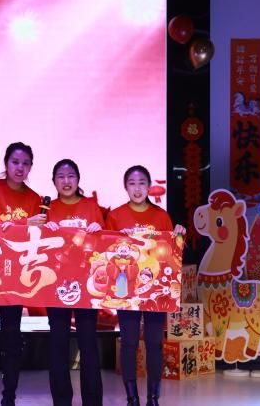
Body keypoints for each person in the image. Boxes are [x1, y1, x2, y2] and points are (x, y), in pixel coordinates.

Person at [106, 165, 185, 406]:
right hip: (126, 288)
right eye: (132, 183)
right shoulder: (115, 216)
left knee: (154, 343)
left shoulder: (161, 216)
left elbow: (170, 252)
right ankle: (132, 398)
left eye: (142, 183)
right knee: (129, 343)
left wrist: (179, 236)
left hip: (155, 289)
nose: (137, 188)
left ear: (149, 186)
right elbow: (107, 252)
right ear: (125, 187)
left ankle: (153, 398)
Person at [0, 142, 47, 406]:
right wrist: (24, 223)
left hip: (16, 278)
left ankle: (9, 396)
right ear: (6, 163)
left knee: (11, 338)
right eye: (15, 162)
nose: (20, 168)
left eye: (26, 163)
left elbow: (38, 239)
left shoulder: (35, 199)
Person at [43, 159, 104, 406]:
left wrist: (99, 229)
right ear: (54, 181)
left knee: (88, 343)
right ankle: (61, 400)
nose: (66, 181)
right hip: (56, 285)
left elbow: (104, 245)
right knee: (58, 344)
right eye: (61, 176)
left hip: (87, 285)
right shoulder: (47, 208)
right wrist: (44, 229)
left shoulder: (91, 206)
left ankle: (93, 400)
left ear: (78, 180)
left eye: (70, 176)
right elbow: (37, 244)